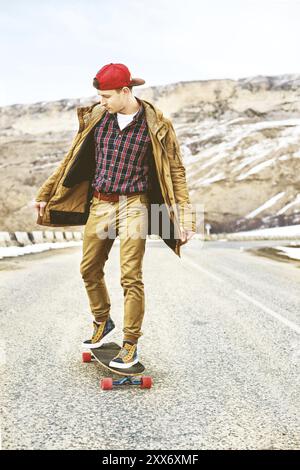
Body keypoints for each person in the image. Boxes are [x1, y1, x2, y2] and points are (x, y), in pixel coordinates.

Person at [34, 63, 196, 369]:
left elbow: (176, 172)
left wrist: (185, 219)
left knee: (130, 276)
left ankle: (130, 343)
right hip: (100, 203)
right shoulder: (98, 117)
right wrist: (45, 194)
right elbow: (70, 158)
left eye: (107, 96)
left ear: (126, 91)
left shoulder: (157, 124)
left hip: (135, 204)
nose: (101, 101)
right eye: (99, 96)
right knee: (89, 269)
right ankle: (102, 320)